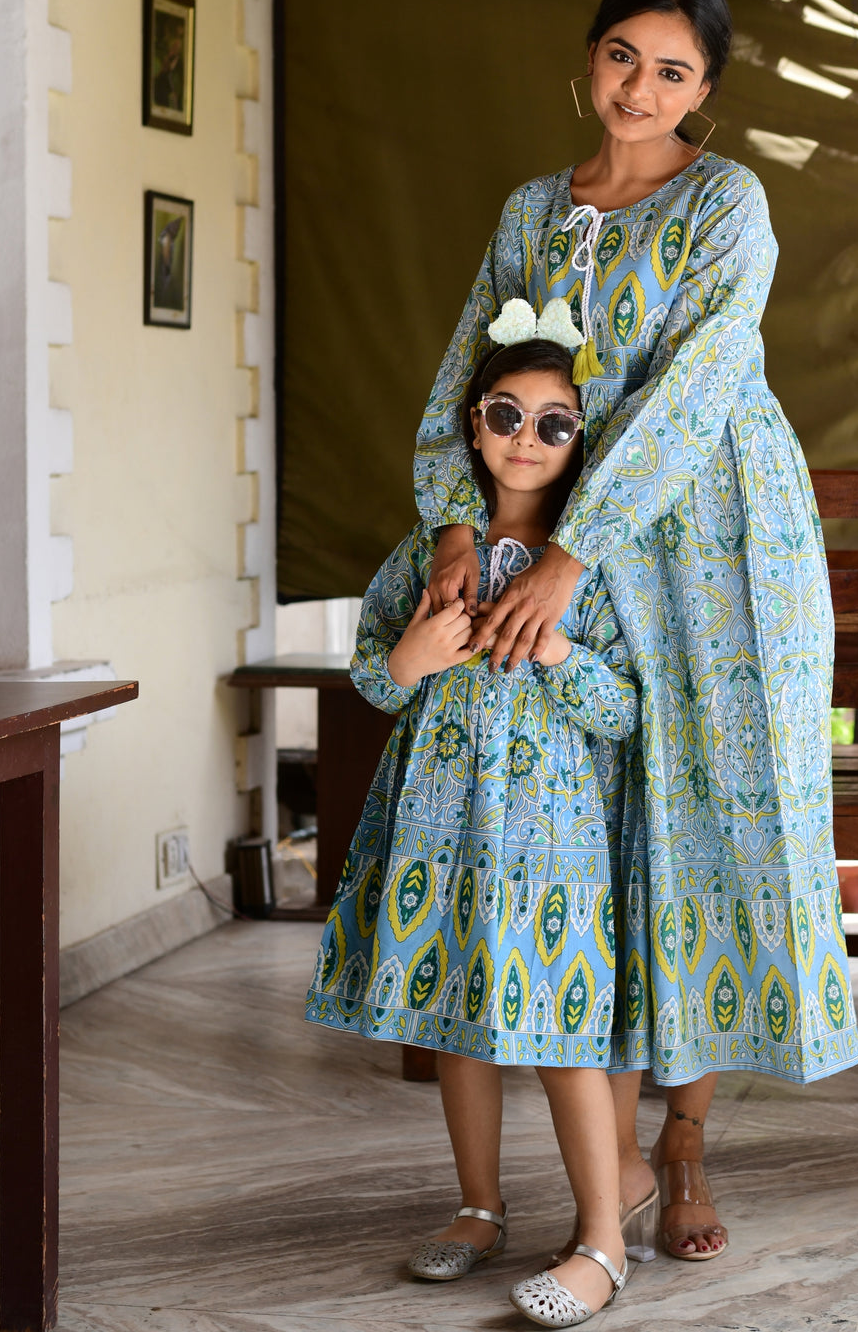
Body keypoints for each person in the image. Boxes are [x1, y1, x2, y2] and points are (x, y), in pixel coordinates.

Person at [414, 0, 858, 1266]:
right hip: (561, 536)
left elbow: (701, 381)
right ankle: (600, 1176)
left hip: (722, 548)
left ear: (705, 92)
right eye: (624, 56)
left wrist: (576, 549)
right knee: (600, 835)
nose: (641, 88)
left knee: (706, 816)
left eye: (673, 70)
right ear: (588, 57)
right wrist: (459, 517)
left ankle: (686, 1141)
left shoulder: (728, 200)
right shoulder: (532, 213)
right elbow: (470, 367)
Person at [306, 320, 654, 1327]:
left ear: (580, 439)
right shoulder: (429, 550)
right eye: (506, 415)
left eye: (554, 423)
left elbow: (627, 708)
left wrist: (557, 656)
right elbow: (373, 670)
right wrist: (410, 659)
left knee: (560, 1025)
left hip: (550, 834)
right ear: (472, 424)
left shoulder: (588, 567)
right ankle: (478, 1202)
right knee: (458, 1014)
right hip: (437, 820)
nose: (526, 438)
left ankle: (600, 1235)